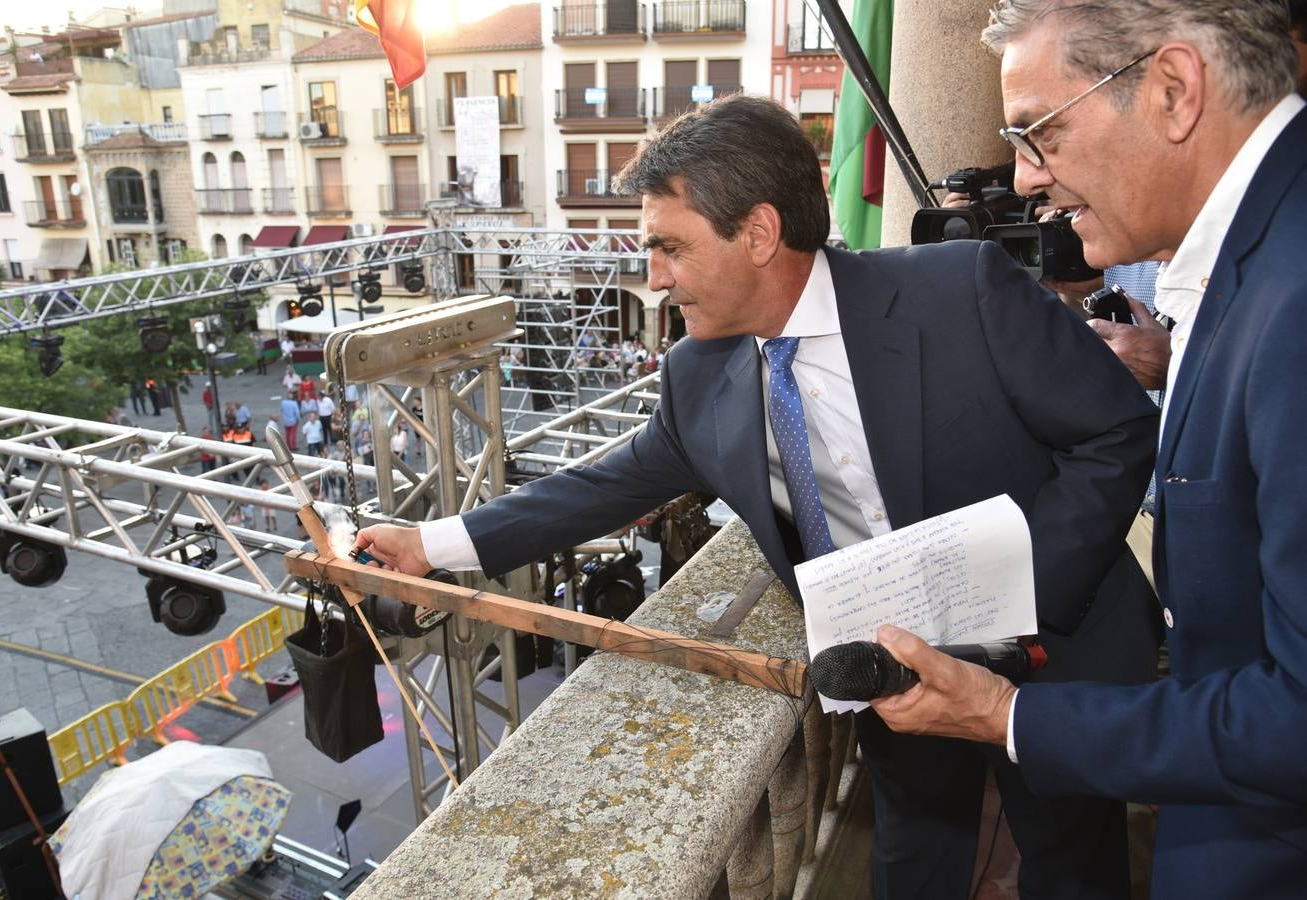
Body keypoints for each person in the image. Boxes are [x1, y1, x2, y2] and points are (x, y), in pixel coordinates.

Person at [354, 95, 1159, 900]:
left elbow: (1116, 433)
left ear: (760, 234)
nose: (654, 278)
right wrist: (431, 547)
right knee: (912, 861)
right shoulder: (695, 377)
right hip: (887, 677)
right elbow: (600, 486)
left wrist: (1021, 590)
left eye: (670, 247)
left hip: (1052, 658)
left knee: (1073, 865)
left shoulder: (964, 290)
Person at [867, 4, 1307, 898]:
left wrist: (1009, 716)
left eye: (1040, 133)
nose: (1025, 179)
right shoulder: (1256, 265)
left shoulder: (1295, 298)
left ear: (1174, 91)